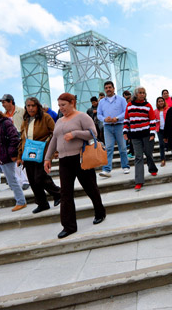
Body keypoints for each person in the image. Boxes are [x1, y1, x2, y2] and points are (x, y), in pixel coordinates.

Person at [44, 93, 106, 239]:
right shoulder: (59, 121)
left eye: (63, 105)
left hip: (80, 158)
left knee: (90, 187)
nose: (61, 108)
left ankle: (100, 212)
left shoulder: (82, 117)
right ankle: (69, 226)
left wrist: (75, 134)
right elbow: (54, 139)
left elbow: (93, 133)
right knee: (65, 193)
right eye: (59, 106)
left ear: (72, 103)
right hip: (64, 161)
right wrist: (47, 158)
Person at [17, 97, 61, 214]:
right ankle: (42, 204)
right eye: (28, 106)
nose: (30, 108)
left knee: (40, 177)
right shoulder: (25, 120)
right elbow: (22, 139)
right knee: (32, 180)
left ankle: (58, 193)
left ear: (38, 106)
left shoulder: (46, 117)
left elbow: (55, 134)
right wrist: (19, 156)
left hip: (43, 152)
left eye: (33, 105)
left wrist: (54, 151)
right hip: (28, 153)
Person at [123, 87, 158, 190]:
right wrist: (125, 132)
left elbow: (152, 120)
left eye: (144, 93)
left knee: (148, 153)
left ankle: (152, 168)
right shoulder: (129, 105)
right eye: (140, 93)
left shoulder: (148, 106)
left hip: (146, 134)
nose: (142, 94)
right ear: (136, 94)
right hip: (135, 135)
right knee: (138, 157)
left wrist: (152, 133)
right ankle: (139, 181)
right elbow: (127, 119)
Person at [97, 81, 130, 177]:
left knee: (123, 147)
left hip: (119, 125)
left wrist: (117, 118)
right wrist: (104, 119)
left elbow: (126, 112)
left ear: (113, 88)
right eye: (106, 88)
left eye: (110, 87)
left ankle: (125, 166)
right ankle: (106, 169)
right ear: (104, 89)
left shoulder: (121, 99)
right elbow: (99, 114)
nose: (108, 89)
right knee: (109, 148)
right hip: (107, 127)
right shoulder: (101, 102)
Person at [0, 93, 30, 191]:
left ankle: (26, 181)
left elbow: (28, 123)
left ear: (10, 101)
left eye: (4, 102)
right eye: (2, 103)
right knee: (15, 160)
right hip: (10, 141)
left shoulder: (21, 111)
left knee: (23, 159)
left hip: (22, 138)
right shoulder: (3, 116)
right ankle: (20, 181)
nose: (3, 104)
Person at [154, 96, 169, 167]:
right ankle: (162, 160)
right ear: (157, 103)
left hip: (168, 129)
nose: (161, 102)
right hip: (159, 129)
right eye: (159, 101)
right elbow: (152, 120)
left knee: (170, 143)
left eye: (162, 101)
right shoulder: (155, 111)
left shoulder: (168, 110)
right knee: (161, 145)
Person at [122, 90, 135, 158]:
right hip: (128, 125)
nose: (127, 100)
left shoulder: (133, 104)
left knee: (132, 139)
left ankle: (132, 152)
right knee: (130, 139)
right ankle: (131, 151)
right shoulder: (126, 105)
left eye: (128, 98)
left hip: (133, 124)